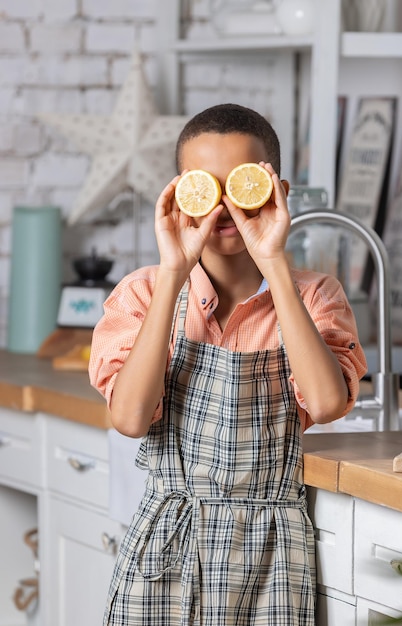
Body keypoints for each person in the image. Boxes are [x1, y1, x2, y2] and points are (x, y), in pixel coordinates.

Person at [89, 102, 367, 626]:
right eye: (204, 188)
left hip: (273, 558)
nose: (223, 210)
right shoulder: (144, 294)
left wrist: (275, 264)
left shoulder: (314, 296)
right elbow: (129, 418)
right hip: (164, 550)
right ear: (179, 193)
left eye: (240, 188)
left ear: (277, 192)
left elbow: (328, 403)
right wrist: (174, 271)